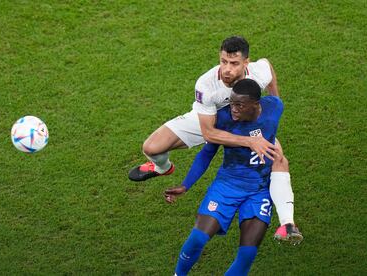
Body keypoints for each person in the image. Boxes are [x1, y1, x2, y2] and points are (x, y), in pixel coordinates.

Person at [128, 36, 302, 242]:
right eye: (223, 61)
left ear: (246, 63)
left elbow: (268, 67)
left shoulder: (257, 71)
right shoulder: (206, 85)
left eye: (234, 63)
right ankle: (162, 168)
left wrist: (274, 100)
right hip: (208, 119)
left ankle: (287, 224)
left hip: (245, 121)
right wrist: (249, 142)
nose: (227, 69)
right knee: (151, 147)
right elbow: (209, 133)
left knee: (278, 159)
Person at [165, 79, 285, 275]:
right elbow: (206, 153)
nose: (233, 109)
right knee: (198, 238)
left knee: (247, 255)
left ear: (256, 104)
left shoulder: (274, 107)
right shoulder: (223, 119)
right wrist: (186, 185)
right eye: (231, 103)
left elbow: (268, 70)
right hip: (226, 186)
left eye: (239, 105)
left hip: (260, 190)